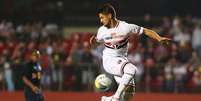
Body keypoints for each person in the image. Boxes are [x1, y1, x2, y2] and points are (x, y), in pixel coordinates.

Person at [90, 4, 171, 101]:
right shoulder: (101, 30)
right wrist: (93, 42)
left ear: (110, 16)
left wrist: (159, 38)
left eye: (102, 17)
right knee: (131, 69)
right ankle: (114, 98)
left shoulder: (126, 27)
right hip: (109, 60)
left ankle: (108, 100)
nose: (101, 20)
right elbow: (97, 41)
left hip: (121, 60)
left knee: (129, 93)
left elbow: (145, 31)